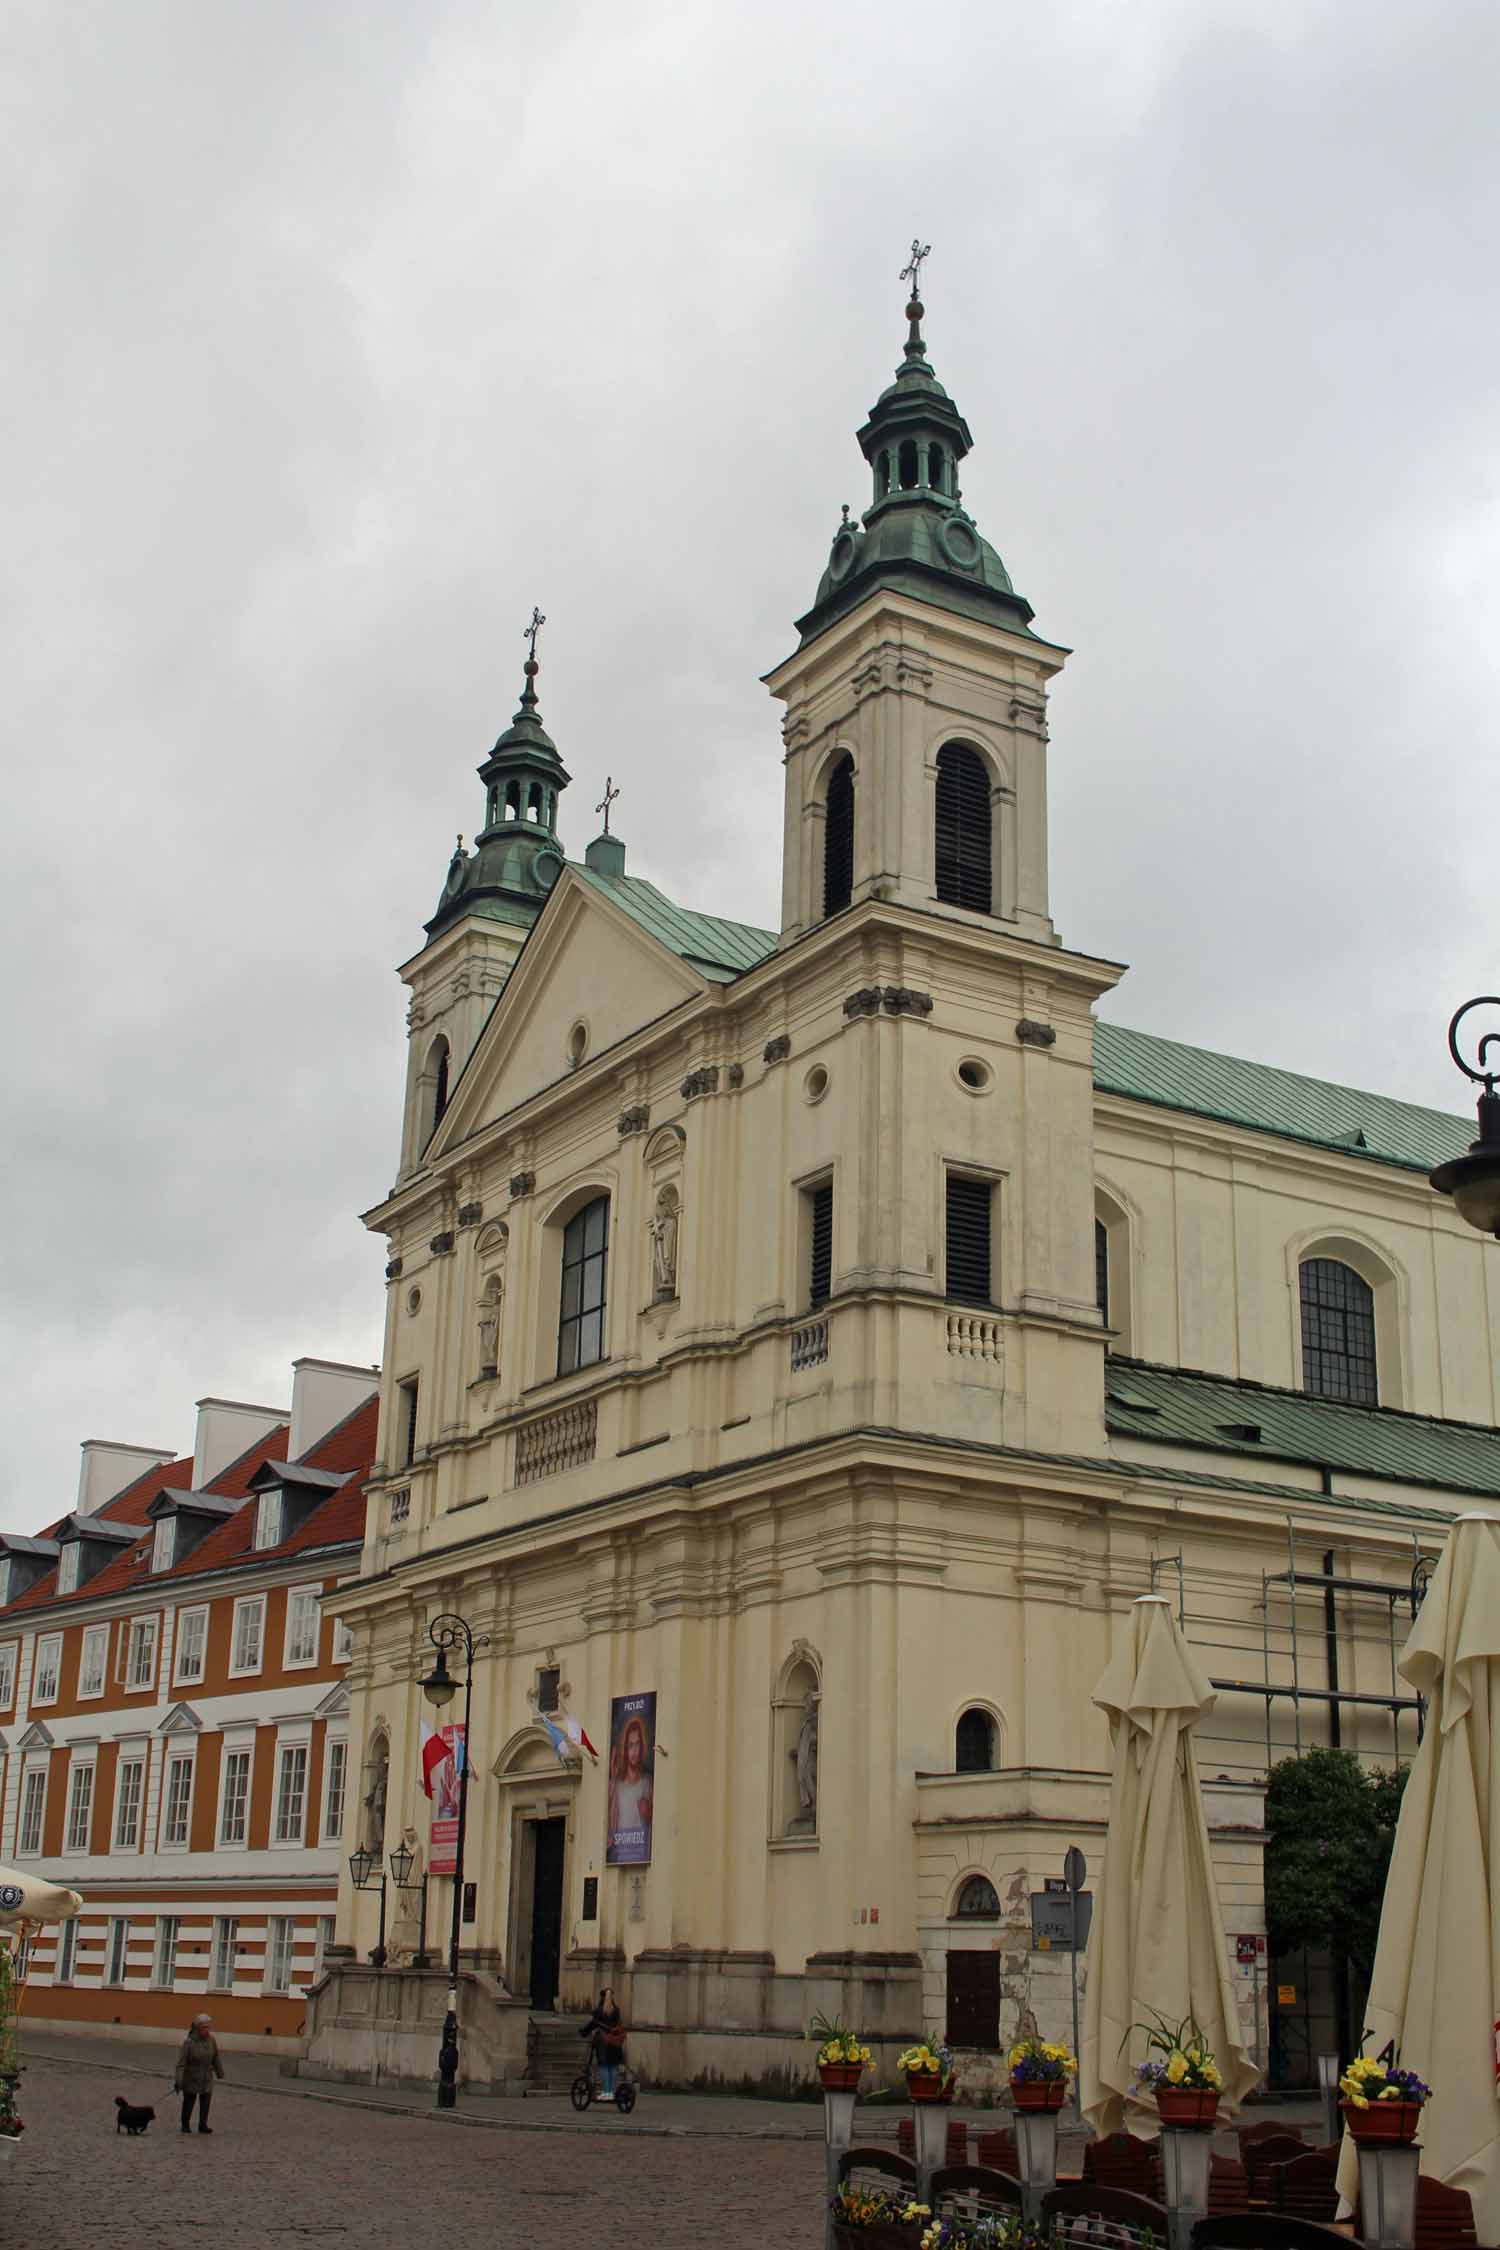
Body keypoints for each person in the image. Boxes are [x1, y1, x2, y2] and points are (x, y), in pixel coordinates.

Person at [174, 2012, 224, 2134]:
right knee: (189, 2102)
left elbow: (215, 2056)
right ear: (197, 2028)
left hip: (206, 2077)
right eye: (204, 2027)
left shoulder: (211, 2040)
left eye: (208, 2027)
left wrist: (219, 2071)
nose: (207, 2030)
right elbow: (181, 2064)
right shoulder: (189, 2043)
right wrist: (179, 2081)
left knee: (206, 2101)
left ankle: (203, 2125)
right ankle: (185, 2125)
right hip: (191, 2077)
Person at [581, 1986, 625, 2097]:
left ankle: (606, 2092)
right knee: (613, 2067)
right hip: (615, 2042)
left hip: (603, 2043)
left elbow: (592, 2024)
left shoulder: (599, 2011)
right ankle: (612, 2092)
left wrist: (583, 2032)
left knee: (604, 2066)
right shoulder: (616, 2010)